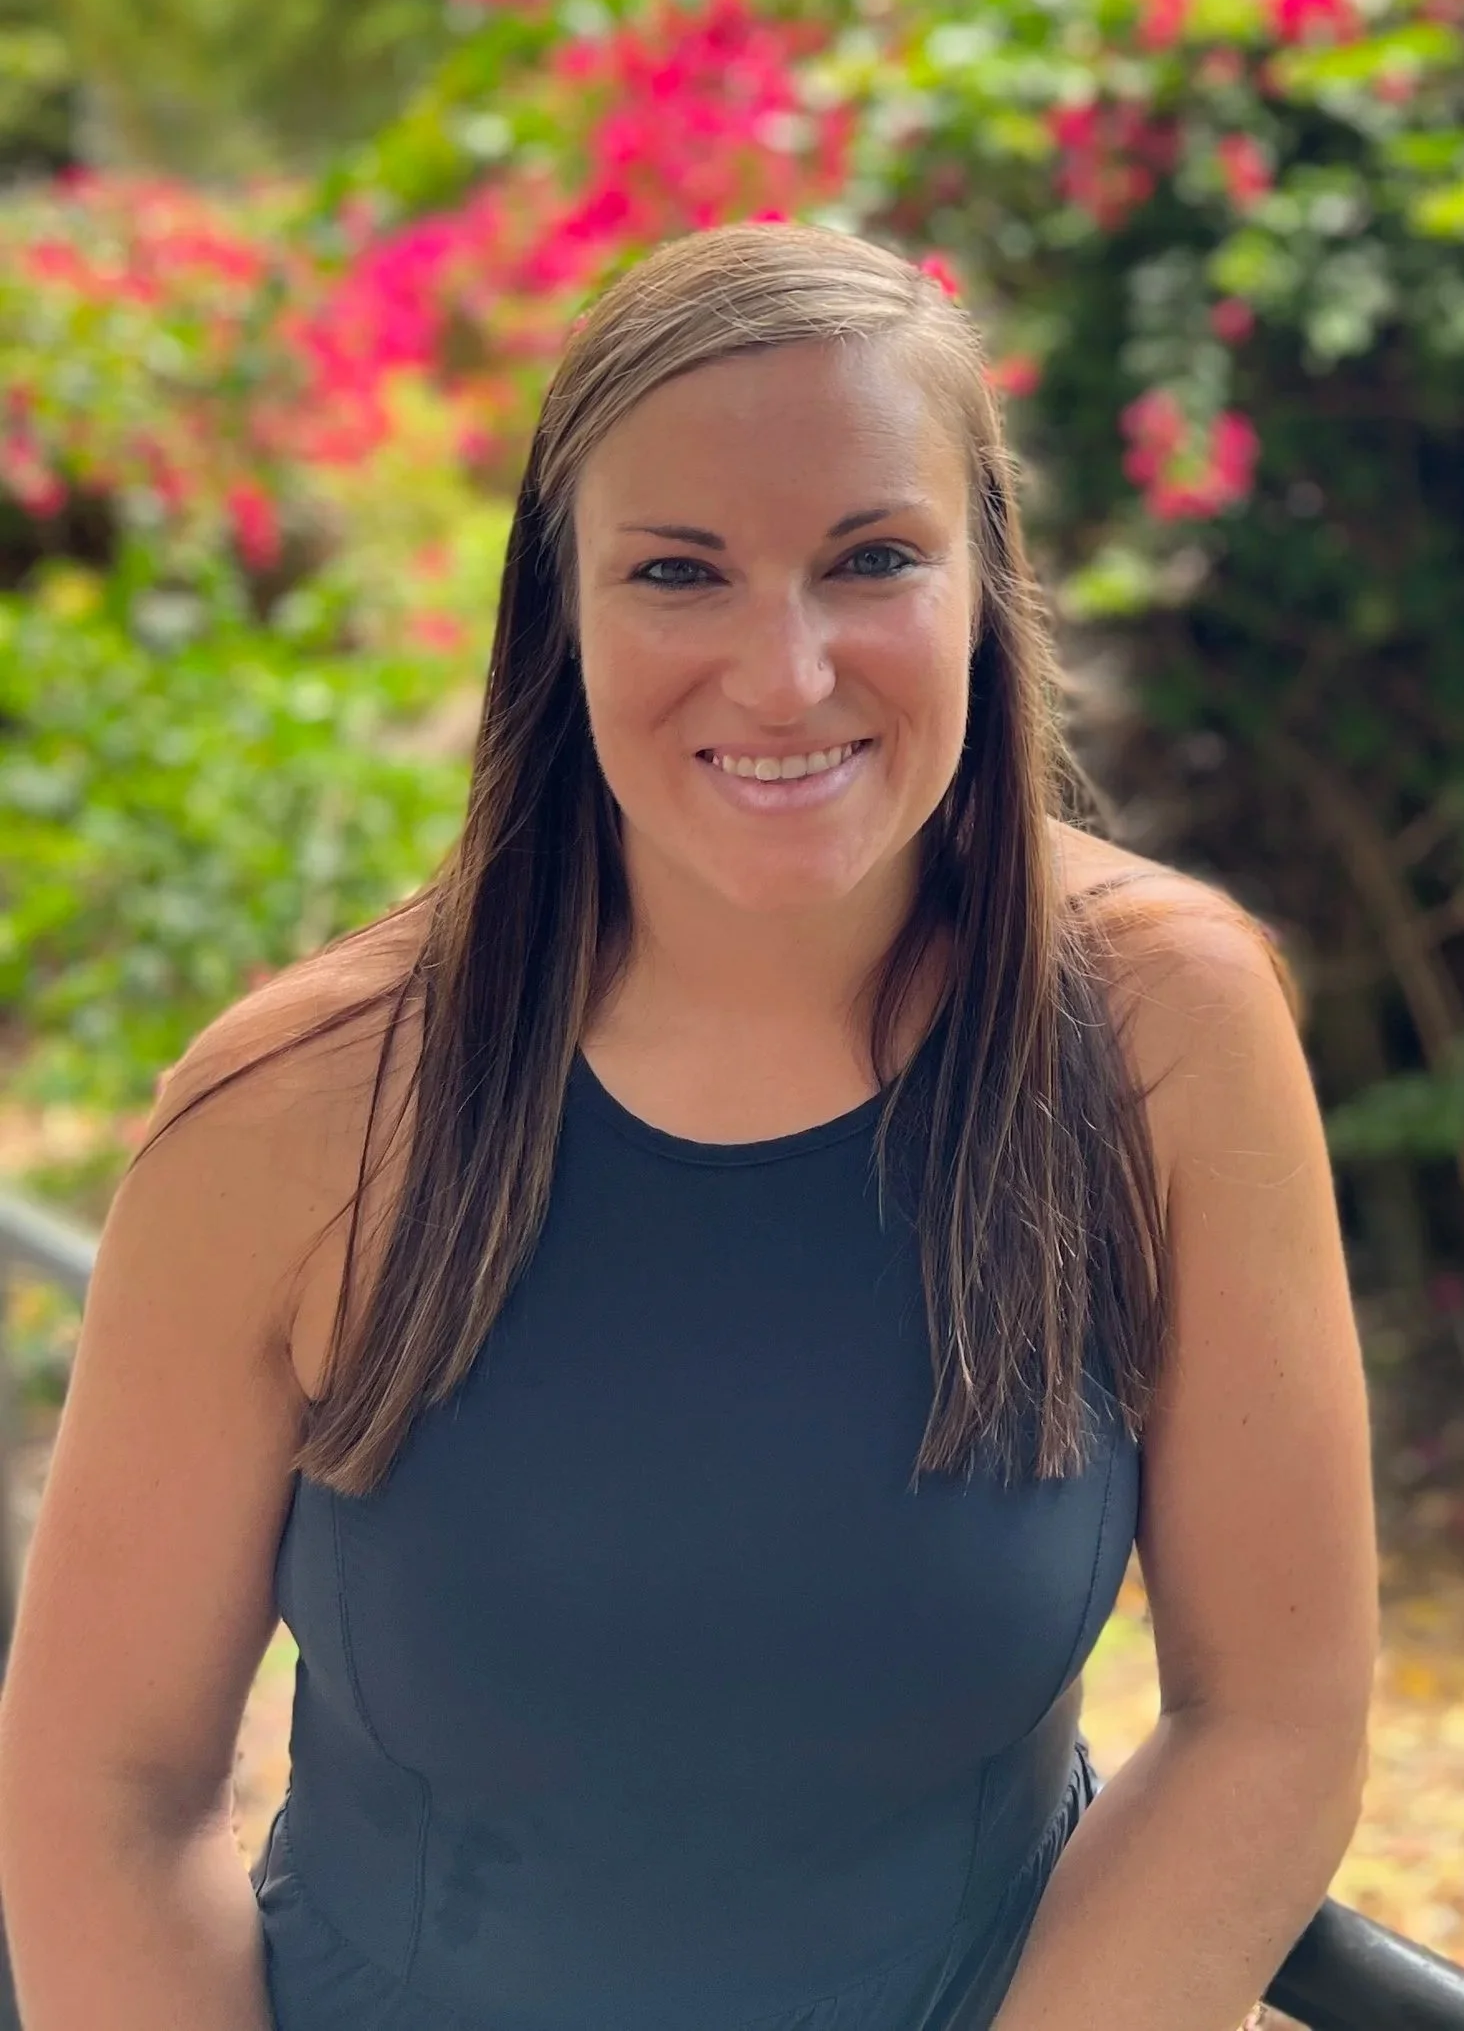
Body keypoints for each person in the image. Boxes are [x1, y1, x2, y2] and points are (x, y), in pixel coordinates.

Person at [0, 224, 1377, 2031]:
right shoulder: (292, 1114)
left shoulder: (1162, 1032)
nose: (787, 673)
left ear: (987, 587)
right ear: (558, 614)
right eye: (680, 573)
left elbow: (1272, 1718)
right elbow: (103, 1788)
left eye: (872, 558)